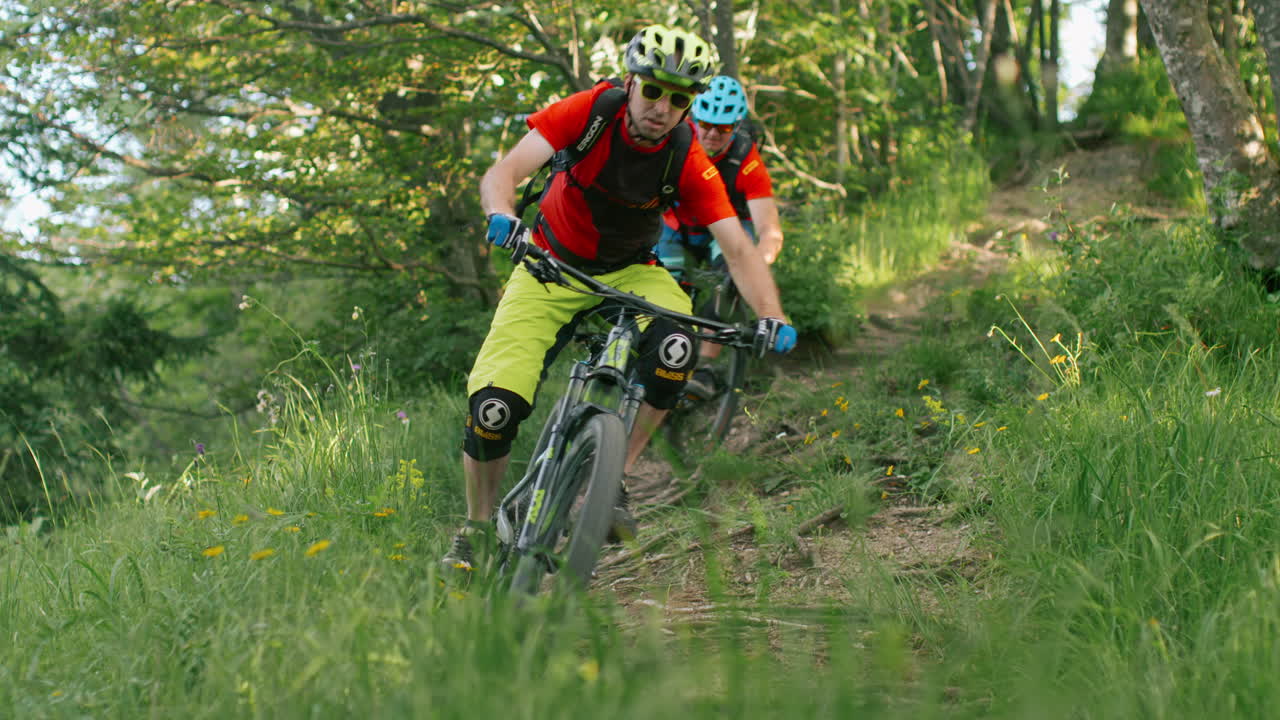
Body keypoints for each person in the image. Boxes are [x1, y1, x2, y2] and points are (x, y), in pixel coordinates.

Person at [441, 24, 796, 572]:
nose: (662, 107)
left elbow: (739, 248)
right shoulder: (587, 113)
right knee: (493, 409)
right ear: (630, 82)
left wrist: (771, 315)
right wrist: (502, 214)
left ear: (688, 107)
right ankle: (476, 529)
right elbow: (504, 172)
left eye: (679, 99)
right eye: (653, 90)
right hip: (548, 267)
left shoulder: (689, 158)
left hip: (632, 272)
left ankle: (613, 480)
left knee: (678, 344)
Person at [655, 75, 786, 399]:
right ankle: (662, 358)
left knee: (725, 283)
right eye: (706, 124)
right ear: (694, 118)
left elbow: (770, 229)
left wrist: (758, 261)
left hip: (726, 230)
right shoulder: (676, 140)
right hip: (677, 225)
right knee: (661, 290)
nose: (712, 133)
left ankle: (706, 368)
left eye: (723, 128)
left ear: (735, 126)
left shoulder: (746, 160)